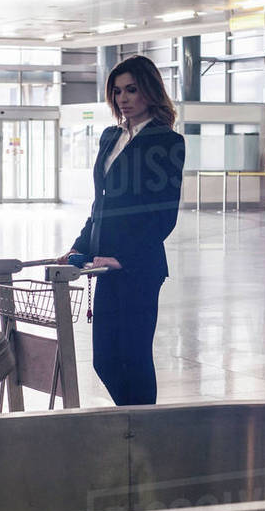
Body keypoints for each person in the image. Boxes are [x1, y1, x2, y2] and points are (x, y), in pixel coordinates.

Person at [60, 55, 185, 406]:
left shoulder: (167, 141)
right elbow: (101, 203)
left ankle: (141, 426)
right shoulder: (110, 137)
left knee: (134, 357)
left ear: (150, 91)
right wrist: (80, 246)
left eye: (131, 89)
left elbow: (164, 214)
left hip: (139, 266)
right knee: (105, 359)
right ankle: (132, 419)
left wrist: (124, 258)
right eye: (117, 91)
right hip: (104, 264)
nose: (123, 98)